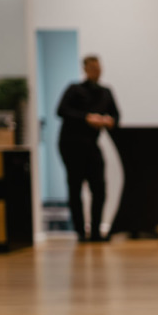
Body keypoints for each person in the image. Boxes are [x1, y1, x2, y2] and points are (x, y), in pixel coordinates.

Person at [57, 55, 118, 242]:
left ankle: (96, 231)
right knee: (75, 187)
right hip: (71, 145)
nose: (96, 71)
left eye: (98, 67)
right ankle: (80, 232)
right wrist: (86, 118)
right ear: (85, 69)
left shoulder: (106, 92)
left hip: (92, 145)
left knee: (99, 188)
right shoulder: (74, 89)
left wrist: (109, 121)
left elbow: (116, 116)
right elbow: (61, 110)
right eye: (92, 68)